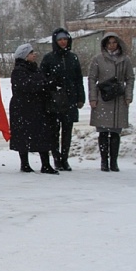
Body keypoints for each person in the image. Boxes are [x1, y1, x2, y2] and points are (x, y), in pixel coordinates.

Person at [9, 43, 59, 174]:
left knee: (43, 136)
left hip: (38, 107)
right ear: (25, 56)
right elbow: (27, 86)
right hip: (23, 108)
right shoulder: (19, 71)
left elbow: (38, 83)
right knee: (23, 136)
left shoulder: (35, 69)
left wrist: (48, 84)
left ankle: (45, 164)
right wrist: (45, 85)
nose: (34, 55)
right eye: (31, 53)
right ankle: (25, 164)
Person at [88, 33, 134, 172]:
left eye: (114, 42)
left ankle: (114, 161)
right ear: (105, 44)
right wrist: (93, 98)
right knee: (103, 131)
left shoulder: (125, 60)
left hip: (118, 98)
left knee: (115, 131)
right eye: (109, 43)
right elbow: (91, 78)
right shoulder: (97, 59)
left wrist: (128, 95)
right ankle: (104, 161)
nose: (112, 45)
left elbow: (130, 78)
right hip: (103, 98)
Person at [41, 28, 86, 171]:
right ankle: (56, 157)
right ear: (55, 41)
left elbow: (79, 79)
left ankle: (65, 158)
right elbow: (43, 79)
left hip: (70, 99)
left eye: (65, 39)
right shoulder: (49, 58)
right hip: (54, 99)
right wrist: (52, 84)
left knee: (67, 130)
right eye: (60, 40)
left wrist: (80, 97)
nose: (63, 42)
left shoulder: (73, 58)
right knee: (54, 131)